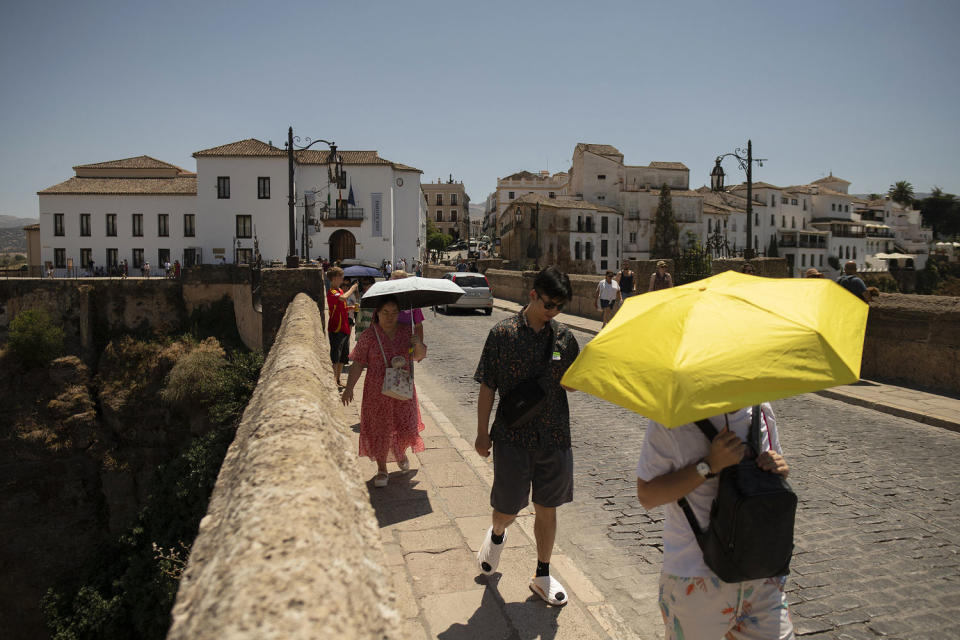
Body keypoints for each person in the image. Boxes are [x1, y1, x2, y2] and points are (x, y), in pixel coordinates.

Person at [636, 404, 794, 639]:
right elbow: (648, 495)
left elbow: (770, 477)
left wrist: (778, 469)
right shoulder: (671, 419)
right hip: (696, 579)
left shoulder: (761, 410)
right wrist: (709, 465)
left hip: (761, 574)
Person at [474, 266, 580, 607]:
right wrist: (481, 434)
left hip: (554, 436)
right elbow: (488, 386)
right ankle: (497, 533)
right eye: (549, 304)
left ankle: (542, 574)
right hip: (512, 437)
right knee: (507, 509)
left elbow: (571, 382)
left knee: (547, 508)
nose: (554, 312)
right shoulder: (502, 334)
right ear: (533, 295)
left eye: (560, 307)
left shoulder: (565, 338)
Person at [341, 295, 426, 487]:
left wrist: (418, 344)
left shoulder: (406, 333)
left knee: (403, 425)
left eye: (394, 313)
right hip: (376, 392)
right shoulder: (369, 336)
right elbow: (358, 363)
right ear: (377, 314)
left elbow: (419, 357)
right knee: (379, 428)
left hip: (402, 388)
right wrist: (349, 388)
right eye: (385, 312)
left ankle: (400, 453)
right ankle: (381, 469)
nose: (390, 317)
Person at [326, 266, 359, 388]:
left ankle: (338, 379)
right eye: (341, 277)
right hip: (336, 328)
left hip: (344, 326)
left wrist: (351, 308)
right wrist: (352, 288)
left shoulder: (339, 290)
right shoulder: (332, 292)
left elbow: (341, 306)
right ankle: (334, 380)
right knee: (335, 355)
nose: (342, 279)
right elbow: (343, 298)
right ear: (334, 278)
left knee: (342, 356)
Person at [390, 270, 426, 345]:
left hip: (406, 342)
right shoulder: (384, 300)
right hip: (387, 340)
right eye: (396, 282)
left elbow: (418, 326)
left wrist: (420, 345)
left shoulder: (412, 301)